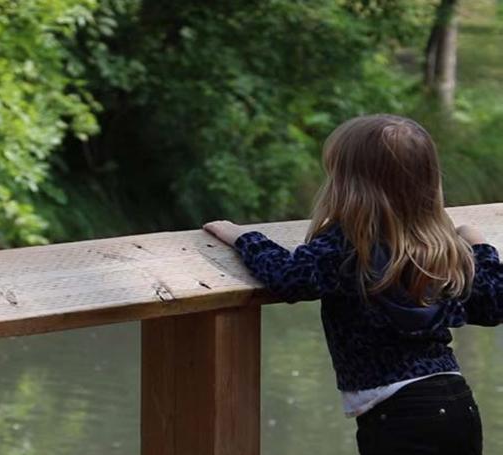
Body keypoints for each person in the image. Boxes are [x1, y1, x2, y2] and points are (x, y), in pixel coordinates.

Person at [203, 114, 502, 455]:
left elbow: (289, 277)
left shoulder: (348, 244)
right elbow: (493, 304)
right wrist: (478, 246)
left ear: (348, 186)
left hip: (399, 417)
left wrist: (243, 237)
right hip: (456, 404)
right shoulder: (437, 248)